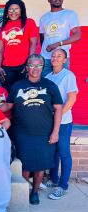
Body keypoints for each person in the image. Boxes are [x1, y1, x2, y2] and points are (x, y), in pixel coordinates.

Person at [0, 54, 63, 205]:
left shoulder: (50, 85)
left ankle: (34, 192)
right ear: (27, 68)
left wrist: (55, 132)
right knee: (25, 164)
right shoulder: (17, 86)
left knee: (40, 165)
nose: (35, 69)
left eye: (39, 66)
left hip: (44, 133)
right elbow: (8, 105)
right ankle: (25, 190)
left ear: (42, 67)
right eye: (32, 66)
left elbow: (59, 108)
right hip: (22, 133)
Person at [45, 48, 78, 199]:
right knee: (54, 152)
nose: (55, 58)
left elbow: (71, 99)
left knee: (64, 152)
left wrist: (59, 115)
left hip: (64, 121)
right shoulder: (49, 76)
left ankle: (63, 186)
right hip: (50, 120)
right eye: (53, 56)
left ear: (65, 60)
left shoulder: (68, 75)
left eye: (59, 56)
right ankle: (53, 179)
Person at [0, 0, 38, 92]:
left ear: (21, 10)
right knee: (9, 94)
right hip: (7, 67)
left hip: (23, 66)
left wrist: (29, 63)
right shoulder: (3, 27)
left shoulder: (29, 22)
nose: (13, 12)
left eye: (16, 9)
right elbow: (0, 49)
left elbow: (33, 44)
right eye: (10, 9)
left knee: (24, 94)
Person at [40, 0, 81, 76]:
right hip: (46, 58)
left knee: (61, 85)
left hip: (62, 57)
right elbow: (42, 38)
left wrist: (58, 44)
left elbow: (78, 35)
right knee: (45, 86)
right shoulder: (43, 17)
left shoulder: (70, 14)